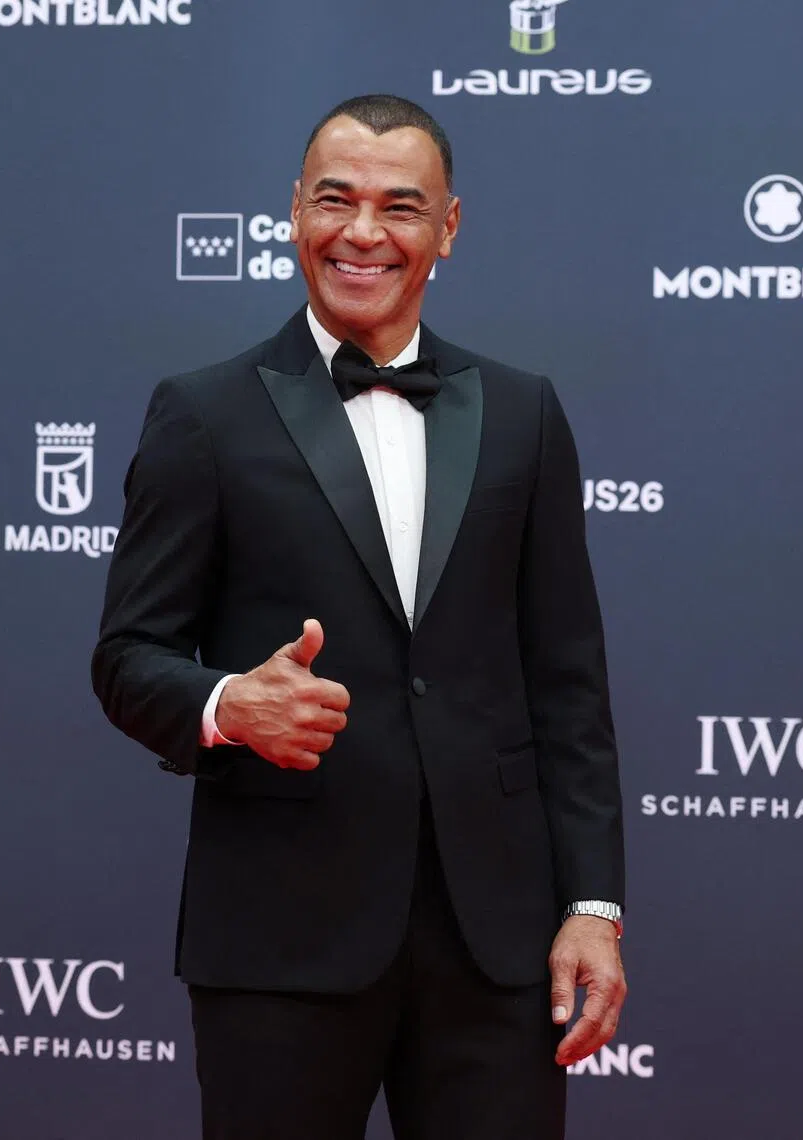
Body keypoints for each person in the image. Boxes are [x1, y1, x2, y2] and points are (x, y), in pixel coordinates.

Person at [92, 93, 626, 1140]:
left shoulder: (523, 412)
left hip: (497, 946)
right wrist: (226, 703)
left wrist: (593, 908)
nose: (364, 233)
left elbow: (569, 683)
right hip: (280, 941)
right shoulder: (204, 413)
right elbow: (127, 655)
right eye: (335, 200)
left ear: (449, 228)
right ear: (293, 212)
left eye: (401, 206)